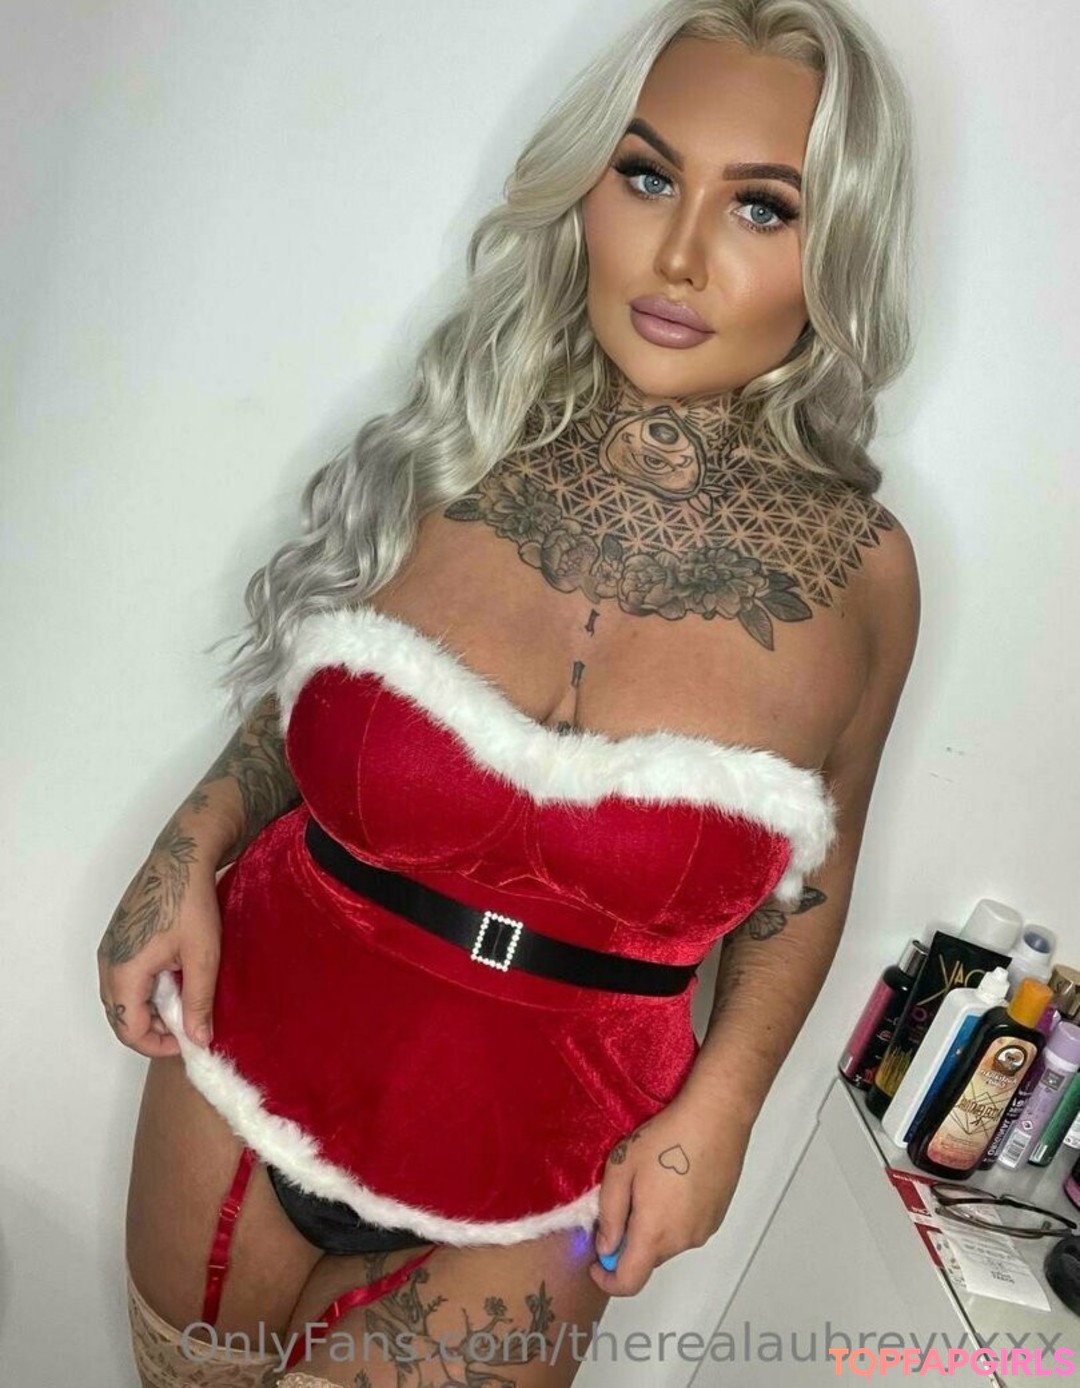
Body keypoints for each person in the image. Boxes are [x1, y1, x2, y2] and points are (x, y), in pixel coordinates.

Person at [98, 0, 921, 1384]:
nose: (680, 255)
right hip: (242, 1068)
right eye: (645, 175)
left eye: (762, 207)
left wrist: (721, 1111)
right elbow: (320, 705)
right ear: (584, 186)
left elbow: (809, 880)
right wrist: (187, 846)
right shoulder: (451, 438)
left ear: (838, 245)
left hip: (550, 1180)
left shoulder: (862, 580)